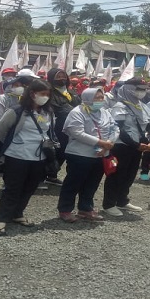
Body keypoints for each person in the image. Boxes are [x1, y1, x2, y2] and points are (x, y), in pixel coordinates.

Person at [0, 79, 55, 235]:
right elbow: (1, 130)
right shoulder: (17, 111)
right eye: (42, 94)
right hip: (17, 155)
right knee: (12, 188)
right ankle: (2, 219)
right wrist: (14, 144)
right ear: (32, 94)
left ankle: (17, 213)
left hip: (39, 157)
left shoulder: (48, 112)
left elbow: (49, 131)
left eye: (48, 94)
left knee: (30, 187)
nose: (45, 97)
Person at [57, 88, 118, 222]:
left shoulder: (105, 112)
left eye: (101, 97)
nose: (100, 100)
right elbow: (77, 133)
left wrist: (109, 142)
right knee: (73, 183)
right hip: (80, 154)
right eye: (96, 98)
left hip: (101, 154)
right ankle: (65, 209)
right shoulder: (77, 112)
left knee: (92, 183)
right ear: (87, 98)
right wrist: (101, 143)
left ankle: (85, 208)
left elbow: (115, 128)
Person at [102, 77, 150, 216]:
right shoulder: (119, 106)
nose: (142, 92)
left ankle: (122, 200)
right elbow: (119, 129)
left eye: (144, 90)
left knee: (130, 175)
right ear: (129, 89)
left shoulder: (142, 106)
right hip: (122, 146)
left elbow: (148, 126)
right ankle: (109, 204)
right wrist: (136, 145)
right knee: (116, 175)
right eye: (139, 89)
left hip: (137, 146)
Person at [0, 76, 31, 195]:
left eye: (21, 85)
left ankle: (7, 182)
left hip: (17, 136)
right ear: (9, 86)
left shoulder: (25, 100)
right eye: (16, 85)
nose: (19, 88)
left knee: (11, 161)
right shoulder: (1, 99)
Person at [45, 68, 82, 187]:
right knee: (56, 151)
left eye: (63, 76)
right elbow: (58, 108)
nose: (62, 78)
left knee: (65, 152)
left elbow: (80, 105)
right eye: (58, 76)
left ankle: (52, 175)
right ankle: (45, 175)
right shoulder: (49, 92)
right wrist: (76, 112)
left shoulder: (71, 92)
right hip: (58, 126)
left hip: (73, 126)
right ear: (52, 78)